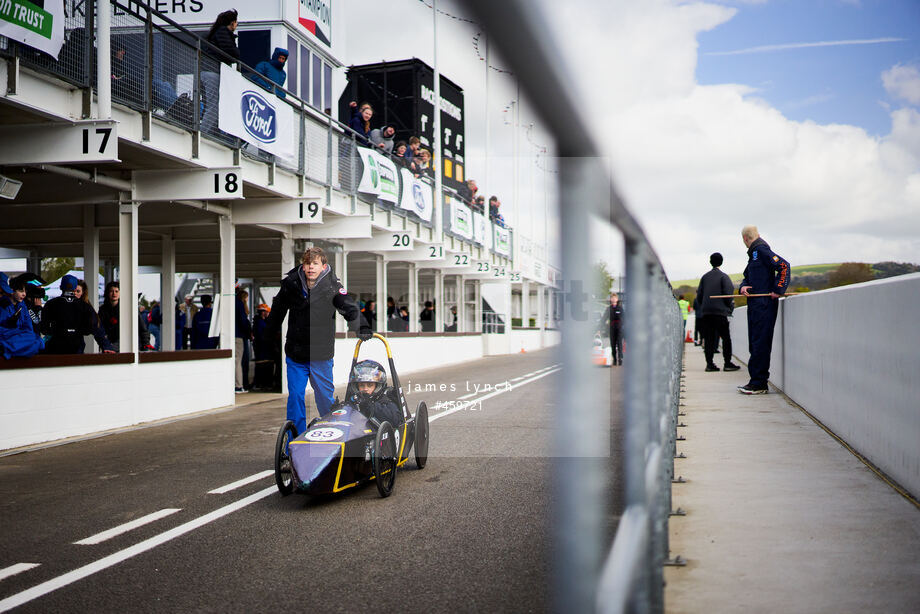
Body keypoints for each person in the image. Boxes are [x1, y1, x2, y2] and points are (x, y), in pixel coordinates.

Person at [265, 247, 370, 434]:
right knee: (296, 397)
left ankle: (331, 436)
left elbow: (349, 307)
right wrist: (268, 333)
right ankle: (294, 442)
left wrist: (361, 327)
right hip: (296, 354)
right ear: (303, 265)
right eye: (307, 263)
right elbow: (278, 310)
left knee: (324, 399)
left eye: (315, 264)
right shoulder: (292, 284)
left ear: (323, 266)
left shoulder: (332, 286)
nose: (310, 267)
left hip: (321, 354)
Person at [738, 226, 790, 395]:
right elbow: (747, 276)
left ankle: (759, 383)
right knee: (754, 342)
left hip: (764, 305)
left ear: (745, 239)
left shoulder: (760, 250)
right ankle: (755, 381)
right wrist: (743, 286)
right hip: (754, 304)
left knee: (760, 343)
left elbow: (784, 266)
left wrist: (778, 289)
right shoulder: (753, 254)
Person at [40, 275, 114, 354]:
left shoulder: (51, 304)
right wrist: (106, 346)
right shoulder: (84, 306)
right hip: (76, 347)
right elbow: (95, 325)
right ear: (75, 288)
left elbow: (44, 328)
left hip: (55, 347)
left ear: (60, 287)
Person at [695, 252, 741, 373]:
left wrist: (704, 306)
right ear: (721, 262)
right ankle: (727, 363)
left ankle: (709, 364)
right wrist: (728, 307)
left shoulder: (705, 277)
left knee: (709, 338)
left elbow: (699, 296)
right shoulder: (723, 277)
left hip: (707, 312)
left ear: (710, 262)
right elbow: (728, 294)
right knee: (726, 338)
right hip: (720, 312)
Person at [201, 9, 240, 134]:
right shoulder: (223, 32)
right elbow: (232, 53)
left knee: (213, 105)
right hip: (212, 72)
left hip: (208, 72)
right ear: (232, 22)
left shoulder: (217, 33)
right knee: (214, 106)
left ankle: (211, 133)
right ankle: (203, 135)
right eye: (236, 22)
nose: (237, 25)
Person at [0, 272, 44, 358]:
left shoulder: (22, 306)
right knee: (33, 341)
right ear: (12, 291)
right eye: (21, 291)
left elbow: (28, 328)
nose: (24, 294)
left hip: (19, 338)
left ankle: (8, 350)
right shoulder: (3, 304)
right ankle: (7, 349)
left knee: (38, 341)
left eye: (25, 291)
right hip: (9, 339)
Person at [348, 360, 403, 427]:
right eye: (362, 385)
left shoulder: (385, 400)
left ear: (377, 386)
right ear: (356, 387)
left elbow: (395, 421)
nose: (365, 389)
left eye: (370, 385)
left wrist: (370, 407)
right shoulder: (354, 400)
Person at [251, 303, 275, 391]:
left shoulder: (262, 321)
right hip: (262, 347)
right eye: (267, 311)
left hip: (265, 347)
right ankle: (260, 384)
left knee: (266, 365)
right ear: (263, 312)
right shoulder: (259, 322)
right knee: (262, 365)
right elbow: (262, 335)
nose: (268, 313)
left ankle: (264, 383)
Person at [598, 293, 625, 366]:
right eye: (612, 298)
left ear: (617, 299)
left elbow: (625, 319)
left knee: (619, 343)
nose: (613, 299)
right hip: (612, 328)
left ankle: (620, 358)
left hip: (619, 328)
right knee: (613, 344)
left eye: (614, 298)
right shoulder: (608, 309)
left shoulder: (620, 308)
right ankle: (614, 359)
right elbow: (604, 318)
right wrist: (599, 328)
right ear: (610, 299)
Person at [235, 289, 252, 392]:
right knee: (238, 361)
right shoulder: (240, 305)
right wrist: (249, 332)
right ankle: (238, 385)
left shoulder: (234, 304)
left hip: (235, 335)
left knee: (236, 360)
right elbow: (243, 321)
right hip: (239, 336)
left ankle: (238, 384)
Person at [97, 281, 121, 351]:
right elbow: (99, 328)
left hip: (122, 344)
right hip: (107, 345)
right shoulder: (102, 310)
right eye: (111, 291)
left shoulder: (125, 309)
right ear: (107, 293)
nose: (114, 294)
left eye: (116, 291)